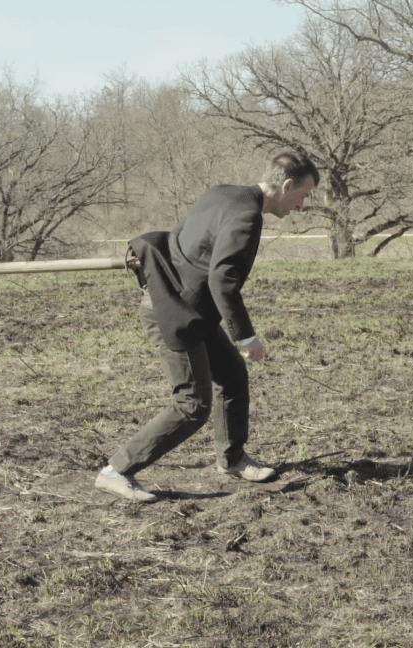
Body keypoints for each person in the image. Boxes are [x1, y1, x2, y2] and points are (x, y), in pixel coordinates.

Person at [95, 151, 319, 503]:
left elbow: (188, 245)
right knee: (192, 405)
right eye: (303, 195)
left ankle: (232, 459)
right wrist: (247, 337)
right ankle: (116, 470)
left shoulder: (222, 192)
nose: (302, 205)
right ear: (287, 185)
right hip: (173, 312)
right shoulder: (247, 216)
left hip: (189, 306)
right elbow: (223, 282)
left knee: (231, 374)